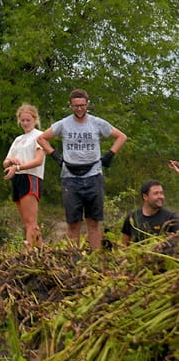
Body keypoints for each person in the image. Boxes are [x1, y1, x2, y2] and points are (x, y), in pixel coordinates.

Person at [38, 88, 127, 250]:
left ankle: (95, 258)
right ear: (71, 106)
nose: (79, 109)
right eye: (75, 106)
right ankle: (73, 258)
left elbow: (121, 136)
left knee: (93, 222)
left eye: (82, 105)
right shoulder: (63, 124)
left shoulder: (97, 123)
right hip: (70, 177)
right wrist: (55, 156)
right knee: (73, 223)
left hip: (93, 175)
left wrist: (110, 154)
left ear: (87, 104)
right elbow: (41, 138)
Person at [3, 104, 45, 249]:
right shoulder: (18, 139)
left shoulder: (39, 136)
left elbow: (38, 160)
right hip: (17, 178)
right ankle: (40, 251)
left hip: (31, 177)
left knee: (31, 221)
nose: (25, 123)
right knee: (27, 222)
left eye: (28, 120)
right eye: (23, 120)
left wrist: (19, 167)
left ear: (35, 119)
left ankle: (30, 254)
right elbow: (6, 161)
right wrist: (10, 162)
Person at [120, 180, 179, 244]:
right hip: (138, 253)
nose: (160, 197)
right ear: (145, 197)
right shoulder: (132, 217)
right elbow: (124, 245)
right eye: (156, 193)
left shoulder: (171, 218)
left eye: (161, 193)